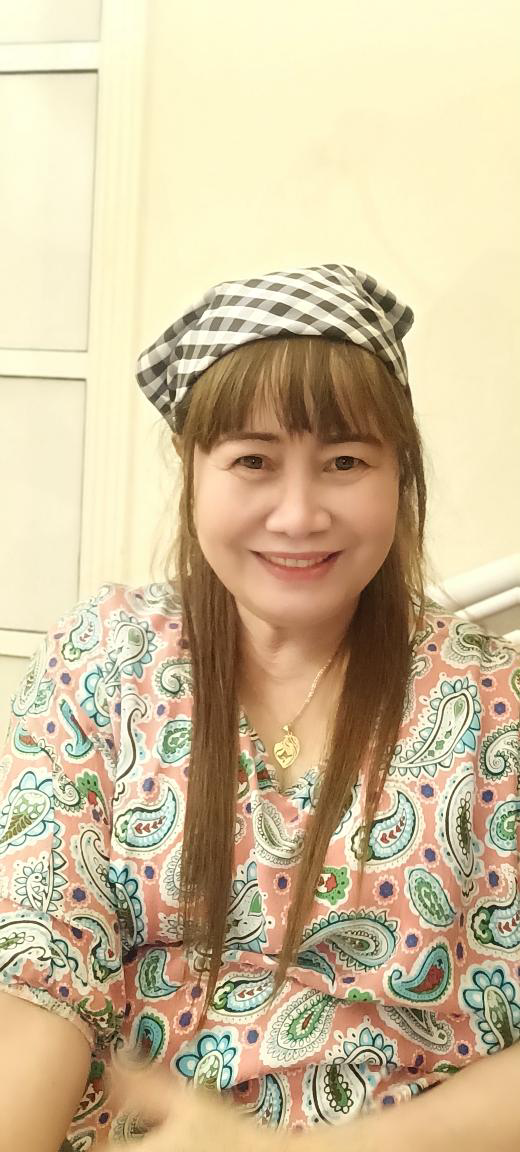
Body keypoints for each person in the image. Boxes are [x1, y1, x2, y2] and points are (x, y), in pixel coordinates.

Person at [0, 264, 518, 1152]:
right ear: (192, 468)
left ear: (400, 472)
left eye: (346, 462)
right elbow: (36, 979)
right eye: (253, 462)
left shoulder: (491, 701)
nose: (298, 515)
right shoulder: (104, 659)